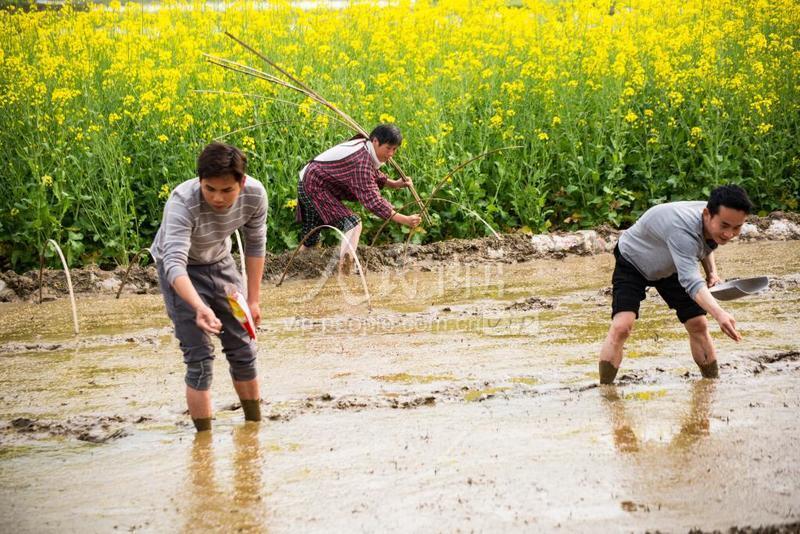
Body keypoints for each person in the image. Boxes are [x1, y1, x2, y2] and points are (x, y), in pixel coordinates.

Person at [151, 142, 267, 431]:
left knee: (243, 347)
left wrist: (253, 301)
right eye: (209, 189)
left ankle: (254, 427)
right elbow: (174, 264)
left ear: (242, 182)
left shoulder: (255, 195)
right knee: (199, 359)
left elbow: (255, 246)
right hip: (181, 271)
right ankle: (203, 440)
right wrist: (199, 307)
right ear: (199, 181)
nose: (217, 198)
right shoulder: (183, 201)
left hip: (220, 261)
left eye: (226, 190)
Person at [598, 184, 754, 384]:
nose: (729, 234)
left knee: (698, 323)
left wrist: (712, 273)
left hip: (672, 264)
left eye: (737, 227)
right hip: (633, 260)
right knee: (622, 326)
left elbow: (706, 242)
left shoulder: (713, 217)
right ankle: (606, 392)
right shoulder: (682, 228)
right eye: (724, 226)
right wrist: (720, 314)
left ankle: (711, 385)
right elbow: (691, 281)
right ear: (706, 214)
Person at [296, 123, 422, 272]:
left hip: (308, 181)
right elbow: (373, 201)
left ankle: (294, 267)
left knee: (310, 240)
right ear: (375, 141)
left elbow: (370, 173)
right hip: (314, 186)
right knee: (354, 223)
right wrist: (405, 219)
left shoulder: (364, 147)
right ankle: (345, 271)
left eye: (394, 149)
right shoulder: (360, 160)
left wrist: (394, 184)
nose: (391, 154)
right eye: (388, 148)